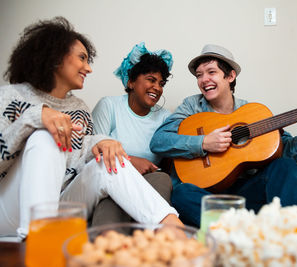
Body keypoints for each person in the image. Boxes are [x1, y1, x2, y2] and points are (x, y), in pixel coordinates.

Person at [0, 17, 182, 240]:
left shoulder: (78, 108)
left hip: (60, 206)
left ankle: (172, 228)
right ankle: (39, 241)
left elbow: (77, 161)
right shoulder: (10, 97)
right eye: (82, 58)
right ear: (55, 56)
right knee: (45, 137)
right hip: (10, 208)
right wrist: (35, 117)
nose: (88, 68)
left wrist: (100, 142)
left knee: (109, 159)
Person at [150, 44, 297, 227]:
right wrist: (203, 142)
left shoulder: (253, 113)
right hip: (207, 196)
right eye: (199, 75)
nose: (204, 80)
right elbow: (159, 141)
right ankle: (252, 228)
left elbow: (291, 151)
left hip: (247, 194)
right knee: (181, 193)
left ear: (230, 76)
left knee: (285, 166)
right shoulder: (191, 106)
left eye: (211, 72)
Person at [91, 43, 174, 224]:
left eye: (161, 83)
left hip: (150, 183)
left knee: (162, 179)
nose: (157, 88)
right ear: (131, 82)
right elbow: (92, 153)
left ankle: (152, 243)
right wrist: (130, 162)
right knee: (109, 221)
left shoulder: (165, 117)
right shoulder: (109, 106)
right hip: (113, 180)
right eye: (151, 80)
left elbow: (170, 159)